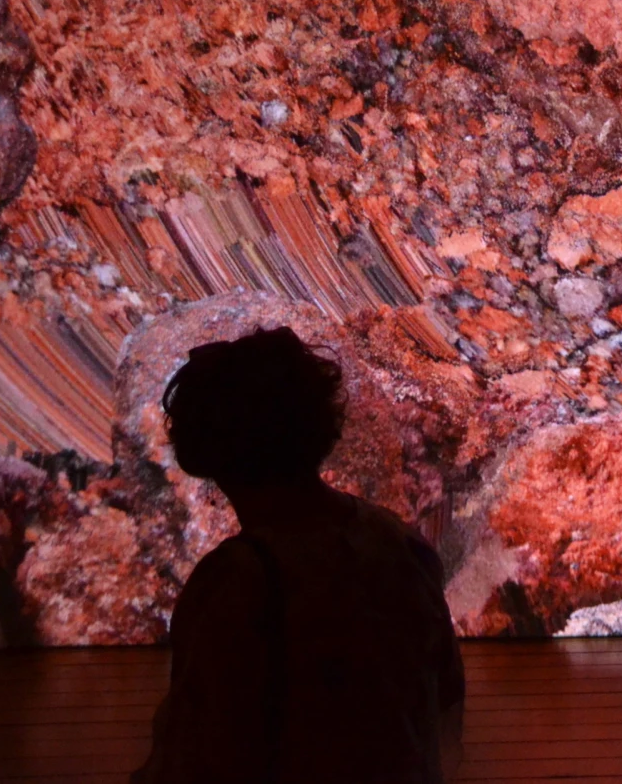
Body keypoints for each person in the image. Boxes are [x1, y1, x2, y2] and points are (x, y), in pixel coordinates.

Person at [131, 327, 465, 784]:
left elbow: (202, 748)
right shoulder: (400, 543)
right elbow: (441, 700)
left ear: (202, 448)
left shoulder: (237, 582)